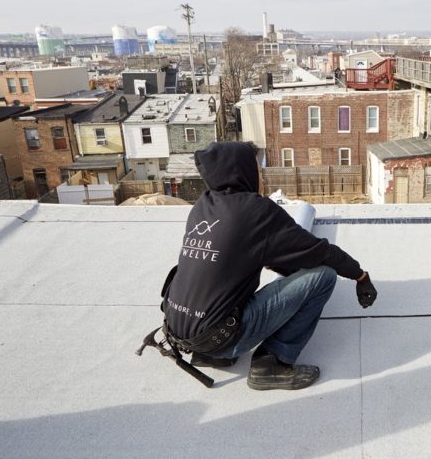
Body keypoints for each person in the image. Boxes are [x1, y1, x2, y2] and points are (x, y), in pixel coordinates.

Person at [162, 142, 377, 390]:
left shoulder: (203, 206)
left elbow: (271, 257)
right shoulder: (255, 210)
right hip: (218, 337)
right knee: (324, 277)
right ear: (242, 171)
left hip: (180, 333)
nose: (261, 176)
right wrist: (359, 275)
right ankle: (272, 362)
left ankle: (210, 355)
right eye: (256, 169)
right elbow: (319, 253)